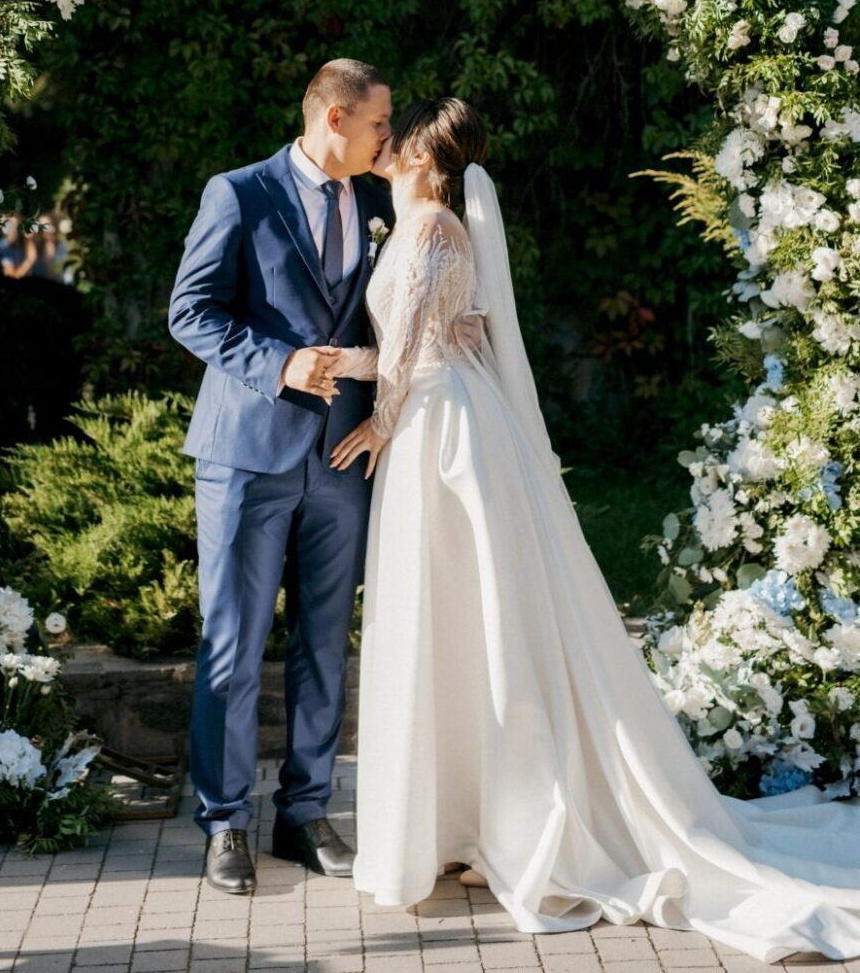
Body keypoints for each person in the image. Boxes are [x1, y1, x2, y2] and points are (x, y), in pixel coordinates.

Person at [330, 97, 860, 963]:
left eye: (401, 135)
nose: (385, 145)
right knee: (453, 621)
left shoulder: (430, 233)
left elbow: (411, 349)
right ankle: (464, 817)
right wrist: (337, 367)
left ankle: (507, 820)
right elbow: (412, 338)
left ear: (427, 154)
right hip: (438, 415)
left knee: (474, 616)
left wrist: (381, 418)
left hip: (443, 432)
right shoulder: (417, 227)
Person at [168, 58, 393, 897]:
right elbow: (190, 311)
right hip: (246, 456)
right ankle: (225, 821)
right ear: (333, 119)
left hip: (343, 456)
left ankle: (305, 812)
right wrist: (280, 363)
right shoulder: (239, 193)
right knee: (232, 643)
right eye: (378, 121)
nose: (388, 136)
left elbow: (394, 318)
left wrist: (385, 411)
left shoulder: (378, 203)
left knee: (326, 643)